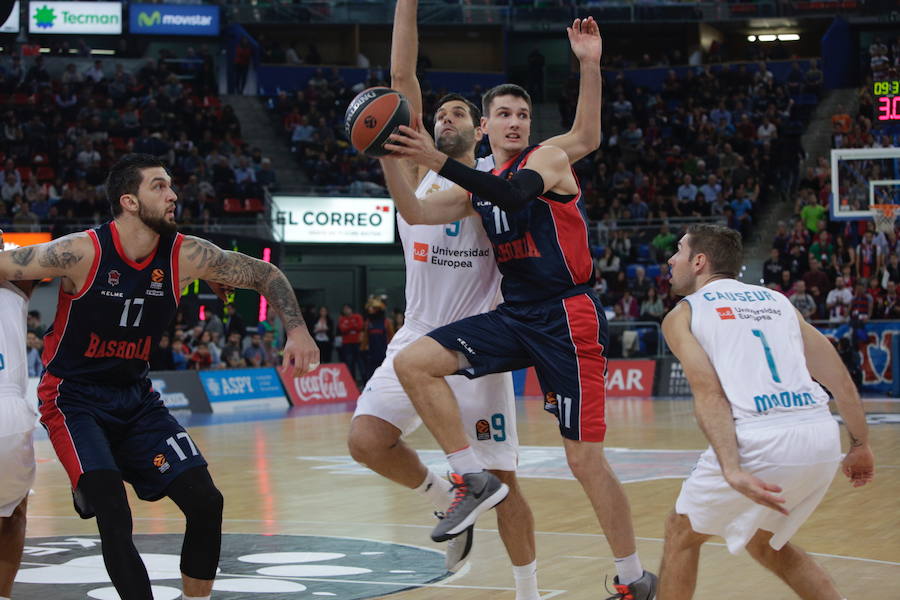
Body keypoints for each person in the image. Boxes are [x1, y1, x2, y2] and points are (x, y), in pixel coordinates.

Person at [349, 3, 611, 597]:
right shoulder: (419, 180)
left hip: (483, 340)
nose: (448, 117)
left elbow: (581, 141)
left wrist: (589, 71)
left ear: (482, 129)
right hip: (420, 333)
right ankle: (447, 496)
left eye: (461, 111)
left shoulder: (494, 182)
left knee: (506, 482)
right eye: (439, 113)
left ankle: (528, 588)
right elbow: (400, 78)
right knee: (365, 441)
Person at [380, 72, 655, 600]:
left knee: (583, 460)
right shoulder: (472, 186)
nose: (515, 123)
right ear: (485, 126)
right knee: (414, 362)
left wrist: (588, 64)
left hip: (566, 318)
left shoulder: (546, 160)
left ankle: (632, 577)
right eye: (504, 114)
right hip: (516, 314)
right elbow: (415, 211)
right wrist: (389, 156)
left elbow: (511, 193)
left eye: (522, 116)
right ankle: (470, 477)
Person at [0, 154, 318, 600]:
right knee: (114, 512)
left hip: (137, 398)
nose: (173, 195)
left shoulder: (187, 254)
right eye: (160, 187)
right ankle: (92, 483)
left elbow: (265, 274)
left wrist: (298, 329)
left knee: (207, 502)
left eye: (171, 186)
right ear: (129, 201)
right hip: (74, 400)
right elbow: (5, 265)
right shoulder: (81, 251)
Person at [658, 224, 874, 599]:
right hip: (819, 435)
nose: (670, 259)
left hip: (760, 439)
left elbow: (709, 392)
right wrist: (860, 443)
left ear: (699, 261)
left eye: (678, 250)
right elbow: (839, 379)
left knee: (681, 532)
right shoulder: (778, 302)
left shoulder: (684, 314)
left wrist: (731, 469)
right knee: (766, 542)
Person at [0, 230, 39, 600]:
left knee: (13, 511)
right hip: (7, 409)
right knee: (11, 513)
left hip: (8, 405)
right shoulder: (20, 282)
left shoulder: (17, 283)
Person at [337, 304, 363, 380]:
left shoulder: (357, 316)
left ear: (351, 309)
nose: (346, 310)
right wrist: (353, 325)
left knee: (360, 362)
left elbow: (360, 327)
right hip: (347, 343)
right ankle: (352, 381)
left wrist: (348, 325)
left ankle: (364, 381)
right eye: (344, 309)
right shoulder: (341, 319)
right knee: (349, 363)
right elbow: (342, 329)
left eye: (347, 308)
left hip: (357, 342)